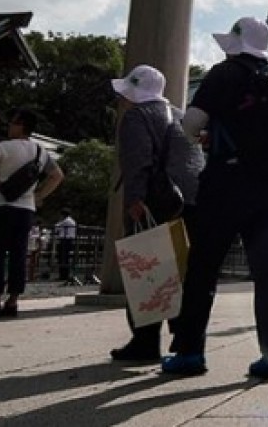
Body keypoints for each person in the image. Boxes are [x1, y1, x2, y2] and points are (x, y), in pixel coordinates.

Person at [168, 17, 268, 381]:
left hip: (229, 182)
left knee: (204, 266)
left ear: (237, 43)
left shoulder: (225, 74)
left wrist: (208, 137)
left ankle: (189, 352)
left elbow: (191, 124)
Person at [108, 64, 205, 368]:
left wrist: (135, 198)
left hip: (155, 201)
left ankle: (145, 340)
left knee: (146, 270)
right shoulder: (180, 115)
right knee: (180, 272)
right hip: (187, 201)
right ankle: (182, 339)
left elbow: (138, 161)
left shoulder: (137, 117)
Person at [0, 109, 64, 318]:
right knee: (19, 254)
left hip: (3, 206)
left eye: (13, 123)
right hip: (26, 209)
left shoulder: (5, 147)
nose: (9, 126)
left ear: (21, 125)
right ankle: (13, 301)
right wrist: (39, 195)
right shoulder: (41, 152)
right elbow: (57, 176)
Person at [55, 208, 78, 283]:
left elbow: (57, 227)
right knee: (64, 257)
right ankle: (64, 274)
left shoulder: (66, 221)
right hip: (68, 239)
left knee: (63, 257)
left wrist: (59, 222)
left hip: (65, 239)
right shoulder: (71, 220)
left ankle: (63, 275)